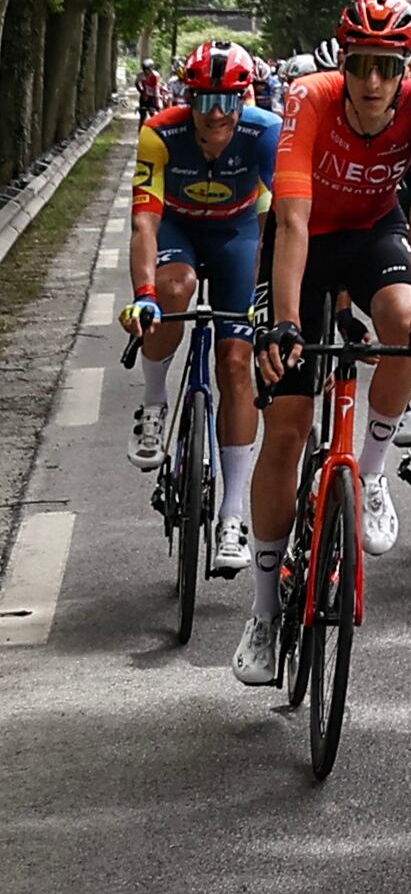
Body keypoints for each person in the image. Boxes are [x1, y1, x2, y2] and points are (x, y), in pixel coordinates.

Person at [247, 0, 411, 681]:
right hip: (303, 243)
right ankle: (261, 611)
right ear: (344, 64)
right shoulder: (309, 98)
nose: (373, 82)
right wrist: (285, 321)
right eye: (361, 65)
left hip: (375, 234)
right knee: (285, 428)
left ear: (405, 70)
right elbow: (292, 220)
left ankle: (369, 473)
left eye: (387, 67)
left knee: (401, 320)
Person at [122, 46, 281, 571]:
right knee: (174, 288)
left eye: (229, 99)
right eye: (205, 98)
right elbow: (145, 223)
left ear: (244, 98)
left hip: (235, 233)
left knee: (236, 364)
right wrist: (143, 294)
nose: (216, 112)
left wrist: (278, 300)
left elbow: (287, 216)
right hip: (178, 229)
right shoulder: (160, 134)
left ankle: (232, 515)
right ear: (187, 96)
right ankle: (153, 401)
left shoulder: (264, 132)